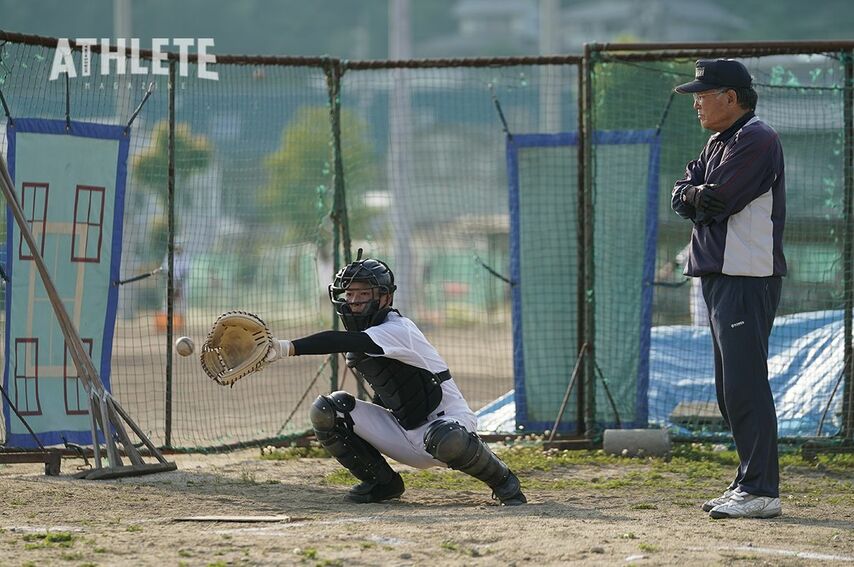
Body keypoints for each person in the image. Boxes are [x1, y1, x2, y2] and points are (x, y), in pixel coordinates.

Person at [265, 251, 527, 506]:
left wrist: (285, 347)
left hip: (448, 425)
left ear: (385, 298)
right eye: (349, 293)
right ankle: (382, 483)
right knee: (328, 410)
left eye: (364, 293)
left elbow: (337, 340)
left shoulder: (397, 328)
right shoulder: (364, 335)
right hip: (405, 430)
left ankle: (504, 481)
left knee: (446, 438)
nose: (354, 300)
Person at [671, 59, 786, 519]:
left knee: (744, 384)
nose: (696, 102)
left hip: (746, 275)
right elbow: (682, 192)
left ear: (731, 97)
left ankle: (761, 490)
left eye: (703, 94)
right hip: (720, 274)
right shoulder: (720, 140)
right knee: (729, 387)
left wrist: (696, 195)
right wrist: (693, 194)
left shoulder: (757, 139)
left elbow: (717, 201)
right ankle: (748, 482)